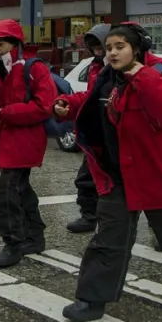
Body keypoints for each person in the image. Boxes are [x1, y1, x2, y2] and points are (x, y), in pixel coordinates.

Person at [54, 23, 162, 322]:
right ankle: (92, 300)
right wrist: (65, 105)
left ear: (137, 49)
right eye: (109, 47)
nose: (112, 52)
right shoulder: (106, 78)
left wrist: (144, 76)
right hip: (118, 173)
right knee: (108, 238)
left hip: (158, 174)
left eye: (119, 47)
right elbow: (91, 103)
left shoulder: (161, 75)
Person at [0, 20, 57, 267]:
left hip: (24, 139)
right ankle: (34, 236)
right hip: (10, 138)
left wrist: (8, 112)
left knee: (8, 193)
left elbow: (44, 105)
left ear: (14, 43)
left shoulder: (34, 68)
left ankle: (13, 242)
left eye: (0, 43)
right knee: (20, 189)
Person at [68, 23, 110, 233]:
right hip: (97, 133)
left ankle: (161, 227)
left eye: (100, 46)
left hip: (115, 135)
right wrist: (68, 102)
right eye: (94, 48)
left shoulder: (118, 68)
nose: (97, 51)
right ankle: (89, 215)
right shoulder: (95, 68)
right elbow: (90, 97)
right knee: (85, 178)